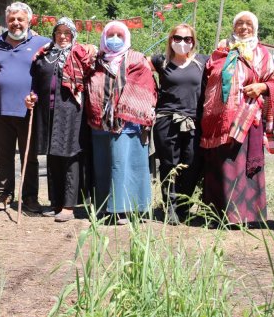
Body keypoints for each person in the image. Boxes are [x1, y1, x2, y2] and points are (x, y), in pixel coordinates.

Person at [199, 11, 274, 226]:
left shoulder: (263, 54)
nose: (244, 28)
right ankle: (217, 213)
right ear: (233, 27)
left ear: (255, 28)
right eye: (239, 24)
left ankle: (246, 215)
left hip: (247, 118)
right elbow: (208, 76)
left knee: (241, 165)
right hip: (217, 119)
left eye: (248, 24)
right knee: (222, 164)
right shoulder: (221, 51)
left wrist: (262, 86)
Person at [24, 17, 96, 222]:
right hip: (47, 111)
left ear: (73, 35)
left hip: (73, 112)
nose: (62, 36)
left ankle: (68, 205)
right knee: (52, 154)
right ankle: (55, 202)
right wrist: (32, 95)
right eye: (59, 32)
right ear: (54, 34)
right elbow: (35, 82)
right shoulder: (44, 55)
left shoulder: (81, 54)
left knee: (70, 155)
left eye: (67, 33)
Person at [85, 21, 157, 225]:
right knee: (104, 165)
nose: (115, 39)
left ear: (126, 38)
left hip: (128, 123)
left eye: (119, 35)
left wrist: (121, 108)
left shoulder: (137, 59)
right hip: (99, 122)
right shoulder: (95, 60)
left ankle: (127, 208)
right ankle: (105, 207)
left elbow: (145, 87)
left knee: (125, 165)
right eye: (111, 34)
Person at [0, 2, 50, 213]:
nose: (16, 23)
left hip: (28, 110)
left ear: (29, 21)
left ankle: (30, 197)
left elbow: (64, 51)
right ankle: (4, 193)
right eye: (12, 19)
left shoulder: (43, 43)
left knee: (29, 156)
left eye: (20, 19)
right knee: (4, 154)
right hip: (0, 109)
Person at [149, 23, 208, 225]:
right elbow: (136, 65)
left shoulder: (202, 62)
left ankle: (184, 206)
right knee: (168, 164)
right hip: (166, 120)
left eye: (187, 39)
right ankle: (170, 208)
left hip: (193, 121)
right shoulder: (160, 61)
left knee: (191, 163)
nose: (182, 43)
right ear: (171, 39)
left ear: (193, 41)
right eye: (178, 38)